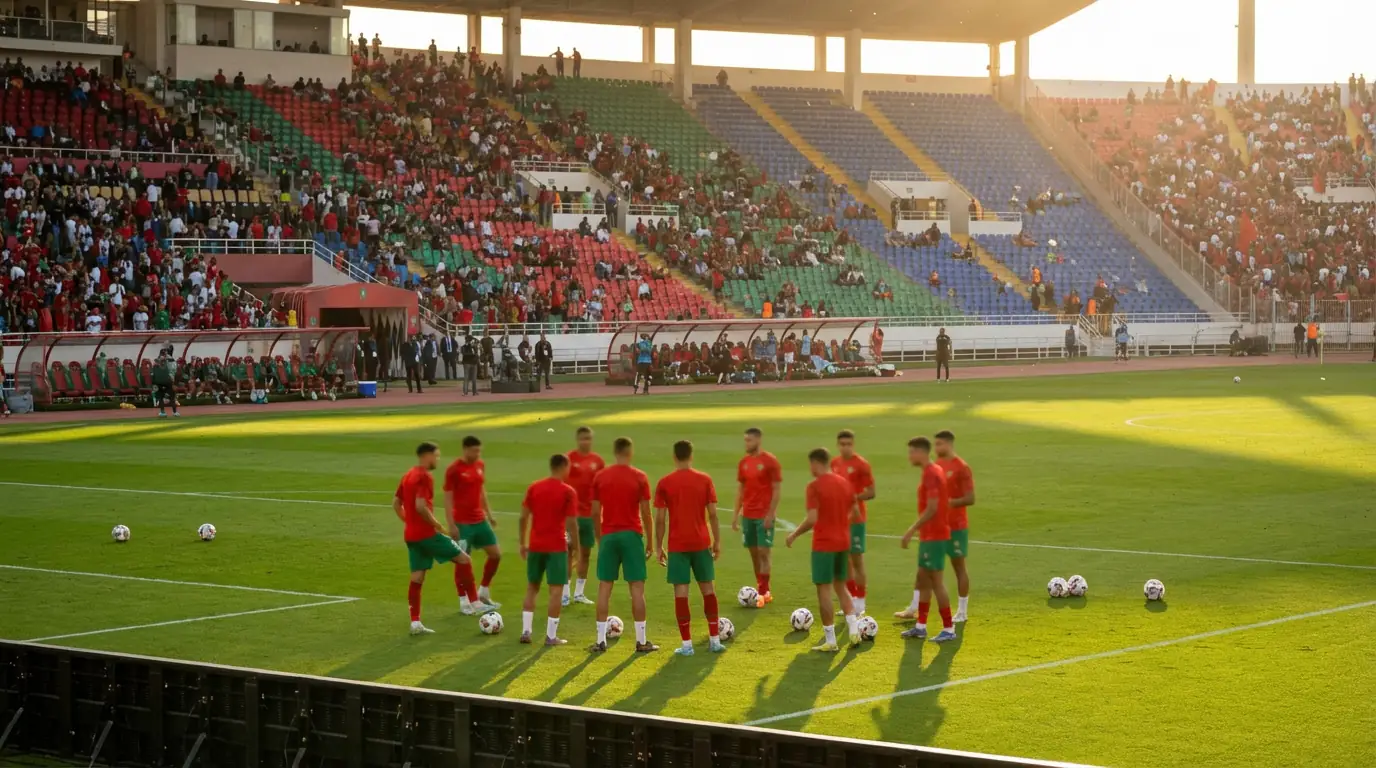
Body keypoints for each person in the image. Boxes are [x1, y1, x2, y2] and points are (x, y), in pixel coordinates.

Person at [395, 441, 477, 635]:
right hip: (427, 535)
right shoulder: (424, 476)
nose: (438, 460)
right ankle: (475, 602)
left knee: (417, 577)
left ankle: (415, 623)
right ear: (427, 456)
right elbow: (420, 506)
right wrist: (438, 526)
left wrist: (410, 522)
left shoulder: (408, 475)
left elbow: (396, 503)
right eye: (436, 456)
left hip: (411, 535)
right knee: (464, 559)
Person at [785, 448, 862, 652]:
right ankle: (854, 631)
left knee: (824, 591)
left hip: (824, 544)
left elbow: (812, 519)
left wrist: (794, 534)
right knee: (841, 586)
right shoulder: (844, 483)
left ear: (815, 463)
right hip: (843, 542)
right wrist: (840, 524)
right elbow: (855, 513)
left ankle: (831, 641)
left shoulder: (814, 486)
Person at [654, 440, 725, 656]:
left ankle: (687, 645)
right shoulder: (704, 480)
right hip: (701, 542)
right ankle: (715, 641)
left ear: (674, 457)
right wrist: (717, 541)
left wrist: (658, 546)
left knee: (681, 593)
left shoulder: (665, 483)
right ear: (691, 456)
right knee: (708, 590)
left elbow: (660, 519)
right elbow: (713, 514)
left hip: (677, 545)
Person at [589, 437, 658, 653]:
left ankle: (600, 641)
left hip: (609, 536)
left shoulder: (601, 477)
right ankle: (641, 641)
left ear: (615, 451)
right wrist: (650, 542)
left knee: (604, 587)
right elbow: (646, 513)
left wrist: (600, 538)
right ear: (630, 452)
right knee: (637, 588)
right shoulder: (639, 477)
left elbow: (594, 512)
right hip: (631, 536)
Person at [898, 437, 957, 643]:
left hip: (935, 536)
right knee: (923, 579)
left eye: (911, 452)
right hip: (929, 536)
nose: (909, 457)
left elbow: (932, 508)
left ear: (921, 452)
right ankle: (920, 626)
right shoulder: (931, 471)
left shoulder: (932, 473)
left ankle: (949, 628)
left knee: (936, 582)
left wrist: (911, 529)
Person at [518, 454, 579, 646]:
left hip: (536, 545)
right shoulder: (567, 491)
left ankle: (526, 631)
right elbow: (571, 522)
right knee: (556, 590)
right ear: (564, 467)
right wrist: (576, 547)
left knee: (532, 587)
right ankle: (551, 636)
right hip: (556, 547)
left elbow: (523, 517)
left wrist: (522, 543)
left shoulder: (534, 487)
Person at [444, 436, 502, 615]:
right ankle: (464, 601)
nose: (478, 454)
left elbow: (481, 490)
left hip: (480, 520)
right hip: (463, 524)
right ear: (465, 449)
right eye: (474, 451)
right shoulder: (454, 469)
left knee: (495, 555)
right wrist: (451, 524)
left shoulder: (480, 465)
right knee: (462, 561)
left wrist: (489, 514)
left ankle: (483, 591)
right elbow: (447, 498)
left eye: (479, 451)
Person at [733, 427, 781, 607]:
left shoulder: (770, 461)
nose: (746, 444)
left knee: (764, 552)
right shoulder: (744, 463)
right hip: (748, 515)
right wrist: (736, 513)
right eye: (745, 440)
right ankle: (761, 587)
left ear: (758, 440)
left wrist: (771, 513)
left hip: (764, 515)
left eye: (749, 440)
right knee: (754, 553)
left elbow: (776, 489)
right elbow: (741, 489)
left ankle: (763, 591)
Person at [831, 430, 875, 615]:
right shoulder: (834, 463)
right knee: (844, 561)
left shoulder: (861, 465)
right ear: (838, 445)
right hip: (839, 519)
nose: (845, 448)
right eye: (842, 444)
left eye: (848, 444)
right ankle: (850, 600)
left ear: (853, 445)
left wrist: (854, 497)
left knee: (857, 560)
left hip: (856, 519)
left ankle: (861, 602)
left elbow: (871, 492)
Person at [934, 430, 975, 622]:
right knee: (928, 569)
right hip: (938, 526)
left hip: (956, 526)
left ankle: (962, 611)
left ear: (949, 444)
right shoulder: (937, 465)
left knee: (959, 568)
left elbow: (970, 498)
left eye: (939, 444)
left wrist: (949, 502)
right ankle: (916, 608)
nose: (936, 448)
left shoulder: (961, 467)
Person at [564, 426, 606, 606]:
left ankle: (579, 593)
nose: (585, 442)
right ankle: (565, 594)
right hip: (571, 515)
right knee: (568, 552)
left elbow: (602, 487)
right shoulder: (568, 459)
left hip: (589, 514)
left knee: (586, 553)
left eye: (588, 438)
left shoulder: (598, 461)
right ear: (577, 439)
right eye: (582, 438)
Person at [151, 353, 180, 418]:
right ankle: (164, 412)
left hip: (167, 384)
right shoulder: (155, 367)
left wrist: (174, 384)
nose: (162, 362)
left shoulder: (168, 367)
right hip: (159, 384)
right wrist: (154, 385)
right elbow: (153, 377)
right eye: (161, 360)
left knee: (171, 398)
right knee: (161, 398)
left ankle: (174, 412)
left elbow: (174, 375)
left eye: (163, 360)